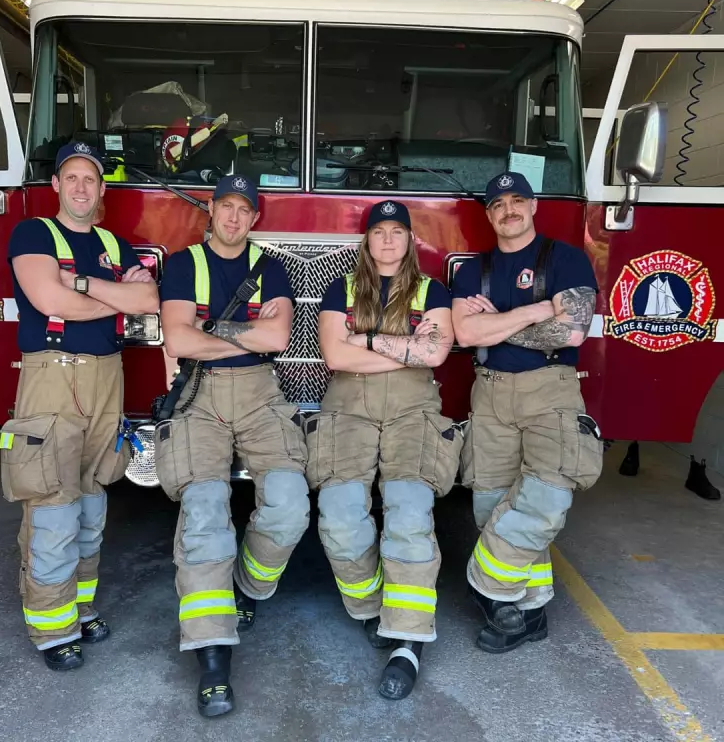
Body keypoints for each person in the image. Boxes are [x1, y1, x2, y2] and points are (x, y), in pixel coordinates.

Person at [0, 142, 158, 671]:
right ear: (57, 187)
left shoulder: (114, 242)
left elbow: (147, 301)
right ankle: (51, 626)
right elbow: (51, 302)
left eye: (91, 179)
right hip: (53, 377)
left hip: (106, 381)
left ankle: (80, 605)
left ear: (102, 189)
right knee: (53, 507)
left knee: (92, 506)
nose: (82, 187)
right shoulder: (33, 234)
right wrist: (112, 296)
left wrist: (84, 285)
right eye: (72, 178)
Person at [155, 174, 309, 719]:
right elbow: (177, 340)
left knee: (291, 503)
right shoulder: (181, 264)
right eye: (227, 207)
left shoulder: (272, 266)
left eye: (245, 209)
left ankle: (246, 587)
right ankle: (212, 654)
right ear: (212, 212)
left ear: (254, 219)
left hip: (261, 393)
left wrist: (210, 329)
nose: (235, 217)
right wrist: (242, 328)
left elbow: (277, 339)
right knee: (204, 511)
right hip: (199, 394)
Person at [310, 199, 461, 701]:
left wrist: (367, 340)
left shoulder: (432, 290)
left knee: (410, 514)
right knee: (338, 515)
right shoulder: (341, 289)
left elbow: (435, 352)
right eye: (380, 232)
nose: (389, 240)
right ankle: (374, 607)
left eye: (398, 231)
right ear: (367, 240)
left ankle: (408, 640)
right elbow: (334, 355)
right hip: (347, 411)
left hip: (413, 415)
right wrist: (404, 349)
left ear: (409, 240)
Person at [451, 171, 604, 653]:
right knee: (493, 504)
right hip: (490, 394)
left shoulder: (566, 259)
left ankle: (488, 589)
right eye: (498, 203)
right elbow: (467, 336)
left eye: (518, 200)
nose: (508, 209)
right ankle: (529, 609)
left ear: (533, 206)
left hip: (550, 392)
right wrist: (536, 311)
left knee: (543, 500)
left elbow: (573, 333)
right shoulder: (472, 269)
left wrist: (494, 322)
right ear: (490, 213)